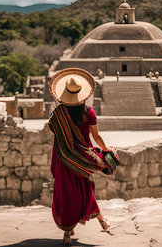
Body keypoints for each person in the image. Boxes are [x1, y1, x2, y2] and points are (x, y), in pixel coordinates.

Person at [48, 68, 113, 245]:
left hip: (64, 160)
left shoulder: (58, 114)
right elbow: (96, 137)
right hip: (83, 160)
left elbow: (56, 135)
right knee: (86, 192)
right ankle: (103, 222)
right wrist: (106, 149)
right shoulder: (89, 112)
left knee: (67, 193)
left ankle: (68, 233)